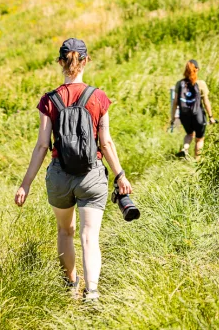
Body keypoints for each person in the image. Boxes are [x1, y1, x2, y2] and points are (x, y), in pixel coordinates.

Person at [14, 38, 132, 302]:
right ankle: (92, 292)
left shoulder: (49, 100)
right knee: (89, 236)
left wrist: (25, 184)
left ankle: (71, 287)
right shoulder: (98, 97)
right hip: (91, 175)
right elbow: (106, 142)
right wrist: (120, 175)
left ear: (60, 62)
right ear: (86, 61)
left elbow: (42, 145)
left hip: (60, 176)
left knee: (65, 231)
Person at [170, 59, 215, 160]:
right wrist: (211, 117)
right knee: (199, 139)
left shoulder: (179, 84)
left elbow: (175, 102)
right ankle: (196, 162)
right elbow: (206, 102)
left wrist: (173, 118)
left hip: (184, 115)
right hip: (198, 115)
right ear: (197, 69)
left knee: (189, 134)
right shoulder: (201, 84)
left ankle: (185, 148)